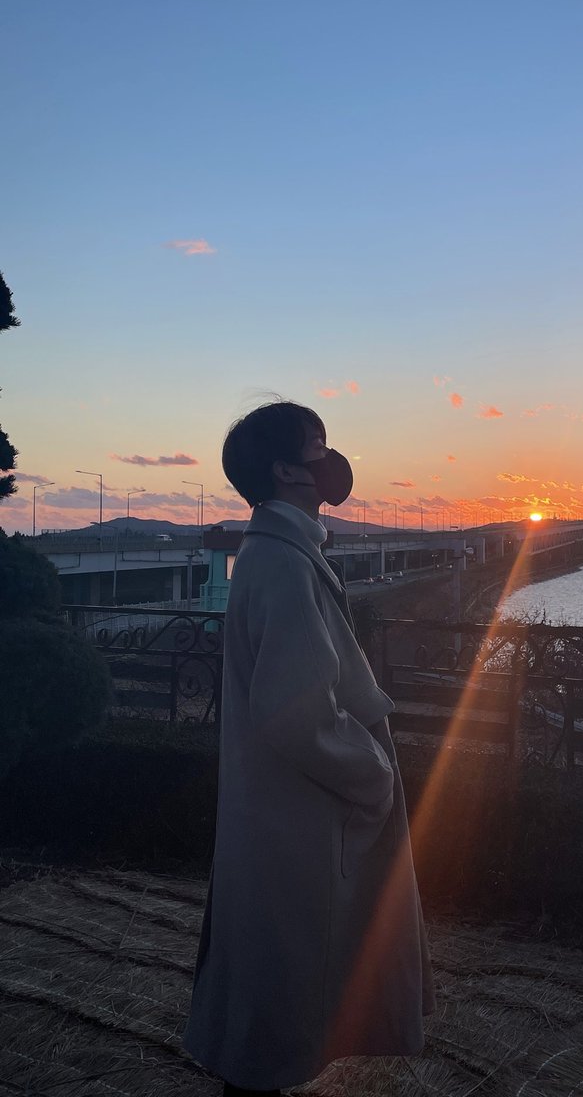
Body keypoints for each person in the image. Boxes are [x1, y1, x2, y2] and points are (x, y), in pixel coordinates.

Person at [184, 401, 433, 1096]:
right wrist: (373, 774)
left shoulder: (275, 553)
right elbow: (297, 710)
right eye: (317, 447)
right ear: (287, 470)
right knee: (289, 979)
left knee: (272, 974)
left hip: (280, 807)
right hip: (304, 812)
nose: (332, 460)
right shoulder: (284, 564)